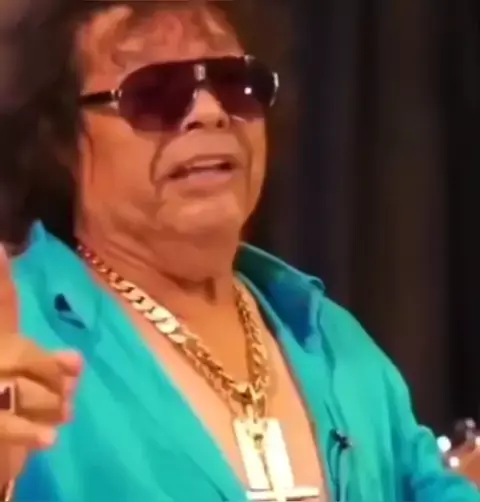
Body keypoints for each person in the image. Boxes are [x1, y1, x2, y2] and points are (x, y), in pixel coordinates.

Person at [0, 1, 477, 501]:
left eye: (234, 85)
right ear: (61, 141)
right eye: (156, 94)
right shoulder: (21, 333)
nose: (210, 113)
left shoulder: (332, 340)